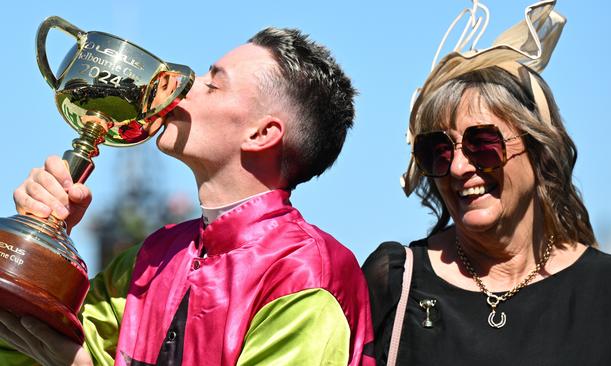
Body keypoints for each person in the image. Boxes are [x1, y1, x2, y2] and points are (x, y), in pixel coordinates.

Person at [0, 27, 375, 366]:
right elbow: (17, 346)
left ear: (262, 134)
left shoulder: (304, 274)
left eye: (212, 84)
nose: (182, 85)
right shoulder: (152, 257)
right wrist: (35, 252)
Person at [362, 1, 611, 365]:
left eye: (482, 144)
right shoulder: (395, 283)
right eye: (439, 151)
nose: (458, 168)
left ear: (538, 149)